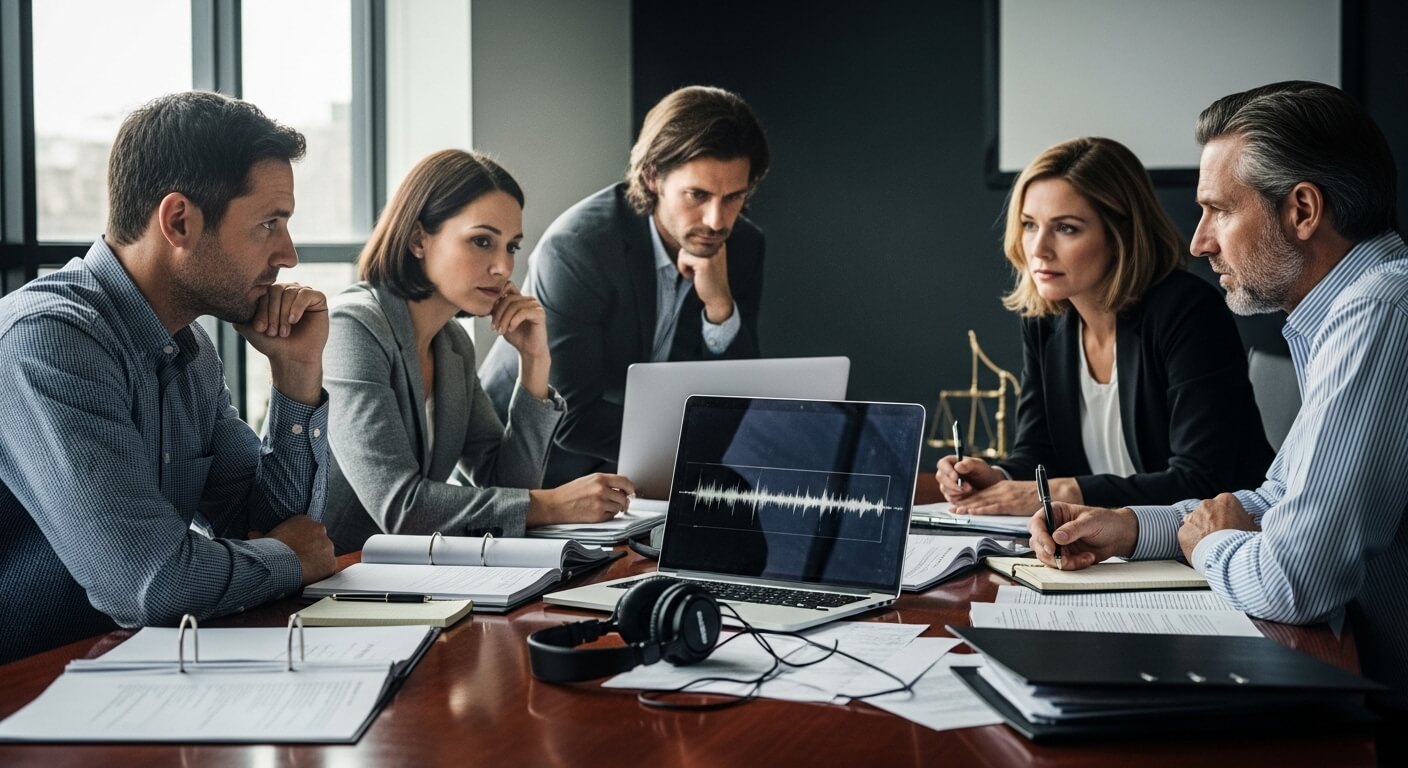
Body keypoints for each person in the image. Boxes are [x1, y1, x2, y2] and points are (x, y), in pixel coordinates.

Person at [1025, 82, 1408, 733]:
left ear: (1304, 210)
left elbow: (1292, 580)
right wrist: (1130, 526)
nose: (1200, 242)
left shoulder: (1380, 309)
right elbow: (1279, 498)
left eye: (1218, 211)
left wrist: (1212, 545)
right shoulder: (1345, 313)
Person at [0, 91, 336, 664]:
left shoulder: (188, 348)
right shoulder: (48, 340)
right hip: (30, 693)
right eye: (269, 223)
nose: (288, 254)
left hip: (129, 672)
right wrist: (286, 558)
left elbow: (285, 526)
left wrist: (296, 371)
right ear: (179, 220)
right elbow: (153, 585)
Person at [937, 137, 1273, 514]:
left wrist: (1060, 493)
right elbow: (1038, 453)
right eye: (1030, 225)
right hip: (1108, 548)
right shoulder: (1045, 321)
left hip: (1219, 543)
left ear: (1120, 235)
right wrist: (997, 477)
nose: (1039, 249)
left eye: (1066, 228)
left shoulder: (1187, 311)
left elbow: (1202, 480)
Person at [322, 150, 636, 553]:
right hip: (316, 583)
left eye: (512, 247)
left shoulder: (452, 344)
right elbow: (400, 508)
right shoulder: (353, 328)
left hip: (397, 576)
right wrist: (555, 505)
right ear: (419, 239)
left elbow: (505, 485)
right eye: (482, 241)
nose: (503, 267)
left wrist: (534, 365)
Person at [479, 85, 771, 486]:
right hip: (532, 470)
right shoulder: (578, 249)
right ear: (653, 177)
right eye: (697, 195)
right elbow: (572, 416)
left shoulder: (743, 246)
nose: (717, 221)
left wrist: (720, 307)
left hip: (638, 473)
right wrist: (698, 453)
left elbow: (737, 397)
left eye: (734, 197)